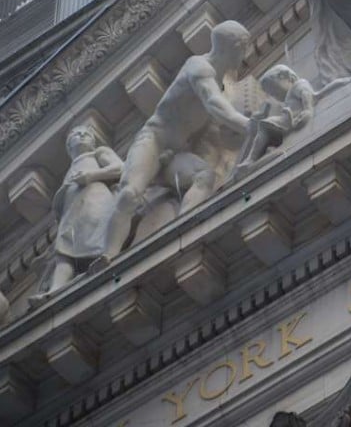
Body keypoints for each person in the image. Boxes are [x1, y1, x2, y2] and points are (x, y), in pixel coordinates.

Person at [93, 21, 252, 268]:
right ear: (231, 48)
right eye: (243, 48)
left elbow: (217, 131)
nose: (245, 55)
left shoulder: (219, 82)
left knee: (205, 176)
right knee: (129, 194)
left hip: (174, 155)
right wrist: (251, 125)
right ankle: (108, 256)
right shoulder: (199, 67)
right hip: (153, 142)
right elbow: (215, 105)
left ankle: (182, 227)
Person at [29, 125, 123, 305]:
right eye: (76, 134)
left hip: (95, 201)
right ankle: (56, 289)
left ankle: (104, 259)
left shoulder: (98, 153)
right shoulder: (72, 167)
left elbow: (120, 167)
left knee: (95, 233)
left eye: (86, 134)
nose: (81, 136)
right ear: (68, 145)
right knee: (64, 250)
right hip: (71, 211)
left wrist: (91, 176)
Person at [231, 65, 316, 179]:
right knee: (265, 126)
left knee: (266, 125)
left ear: (286, 78)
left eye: (274, 90)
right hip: (288, 121)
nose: (274, 95)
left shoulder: (298, 85)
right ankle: (254, 156)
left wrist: (308, 109)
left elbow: (306, 94)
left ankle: (252, 158)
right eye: (272, 93)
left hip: (290, 120)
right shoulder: (288, 97)